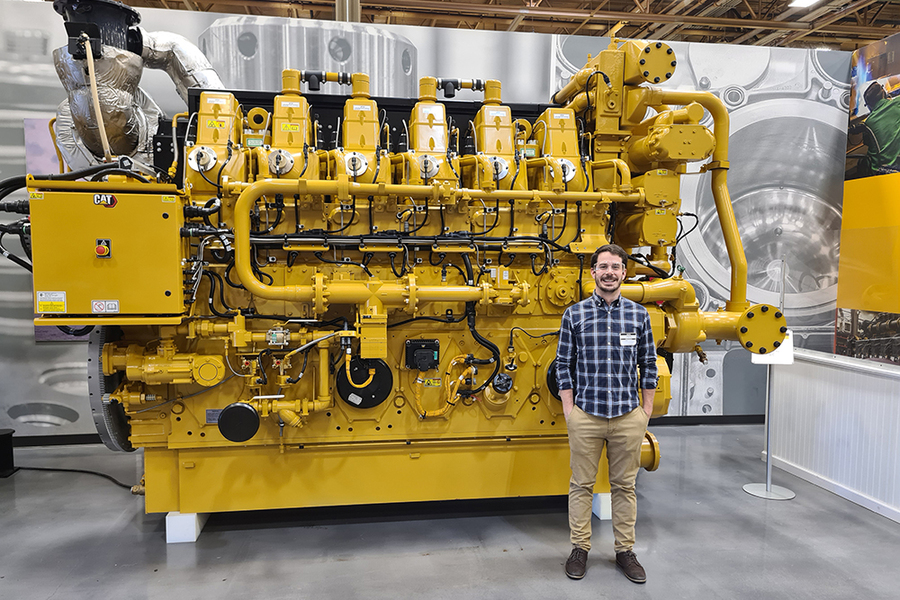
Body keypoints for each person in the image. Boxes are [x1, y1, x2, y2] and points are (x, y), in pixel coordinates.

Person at [555, 243, 657, 584]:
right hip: (586, 415)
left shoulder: (639, 315)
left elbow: (649, 365)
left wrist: (646, 411)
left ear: (624, 273)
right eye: (603, 267)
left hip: (628, 416)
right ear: (594, 272)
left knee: (624, 486)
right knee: (581, 485)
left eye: (616, 267)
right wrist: (570, 410)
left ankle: (625, 551)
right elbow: (563, 366)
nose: (610, 272)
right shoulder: (575, 314)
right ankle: (579, 548)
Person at [853, 81, 900, 176]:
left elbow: (867, 143)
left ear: (869, 105)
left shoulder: (868, 122)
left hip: (882, 170)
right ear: (885, 94)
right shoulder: (897, 104)